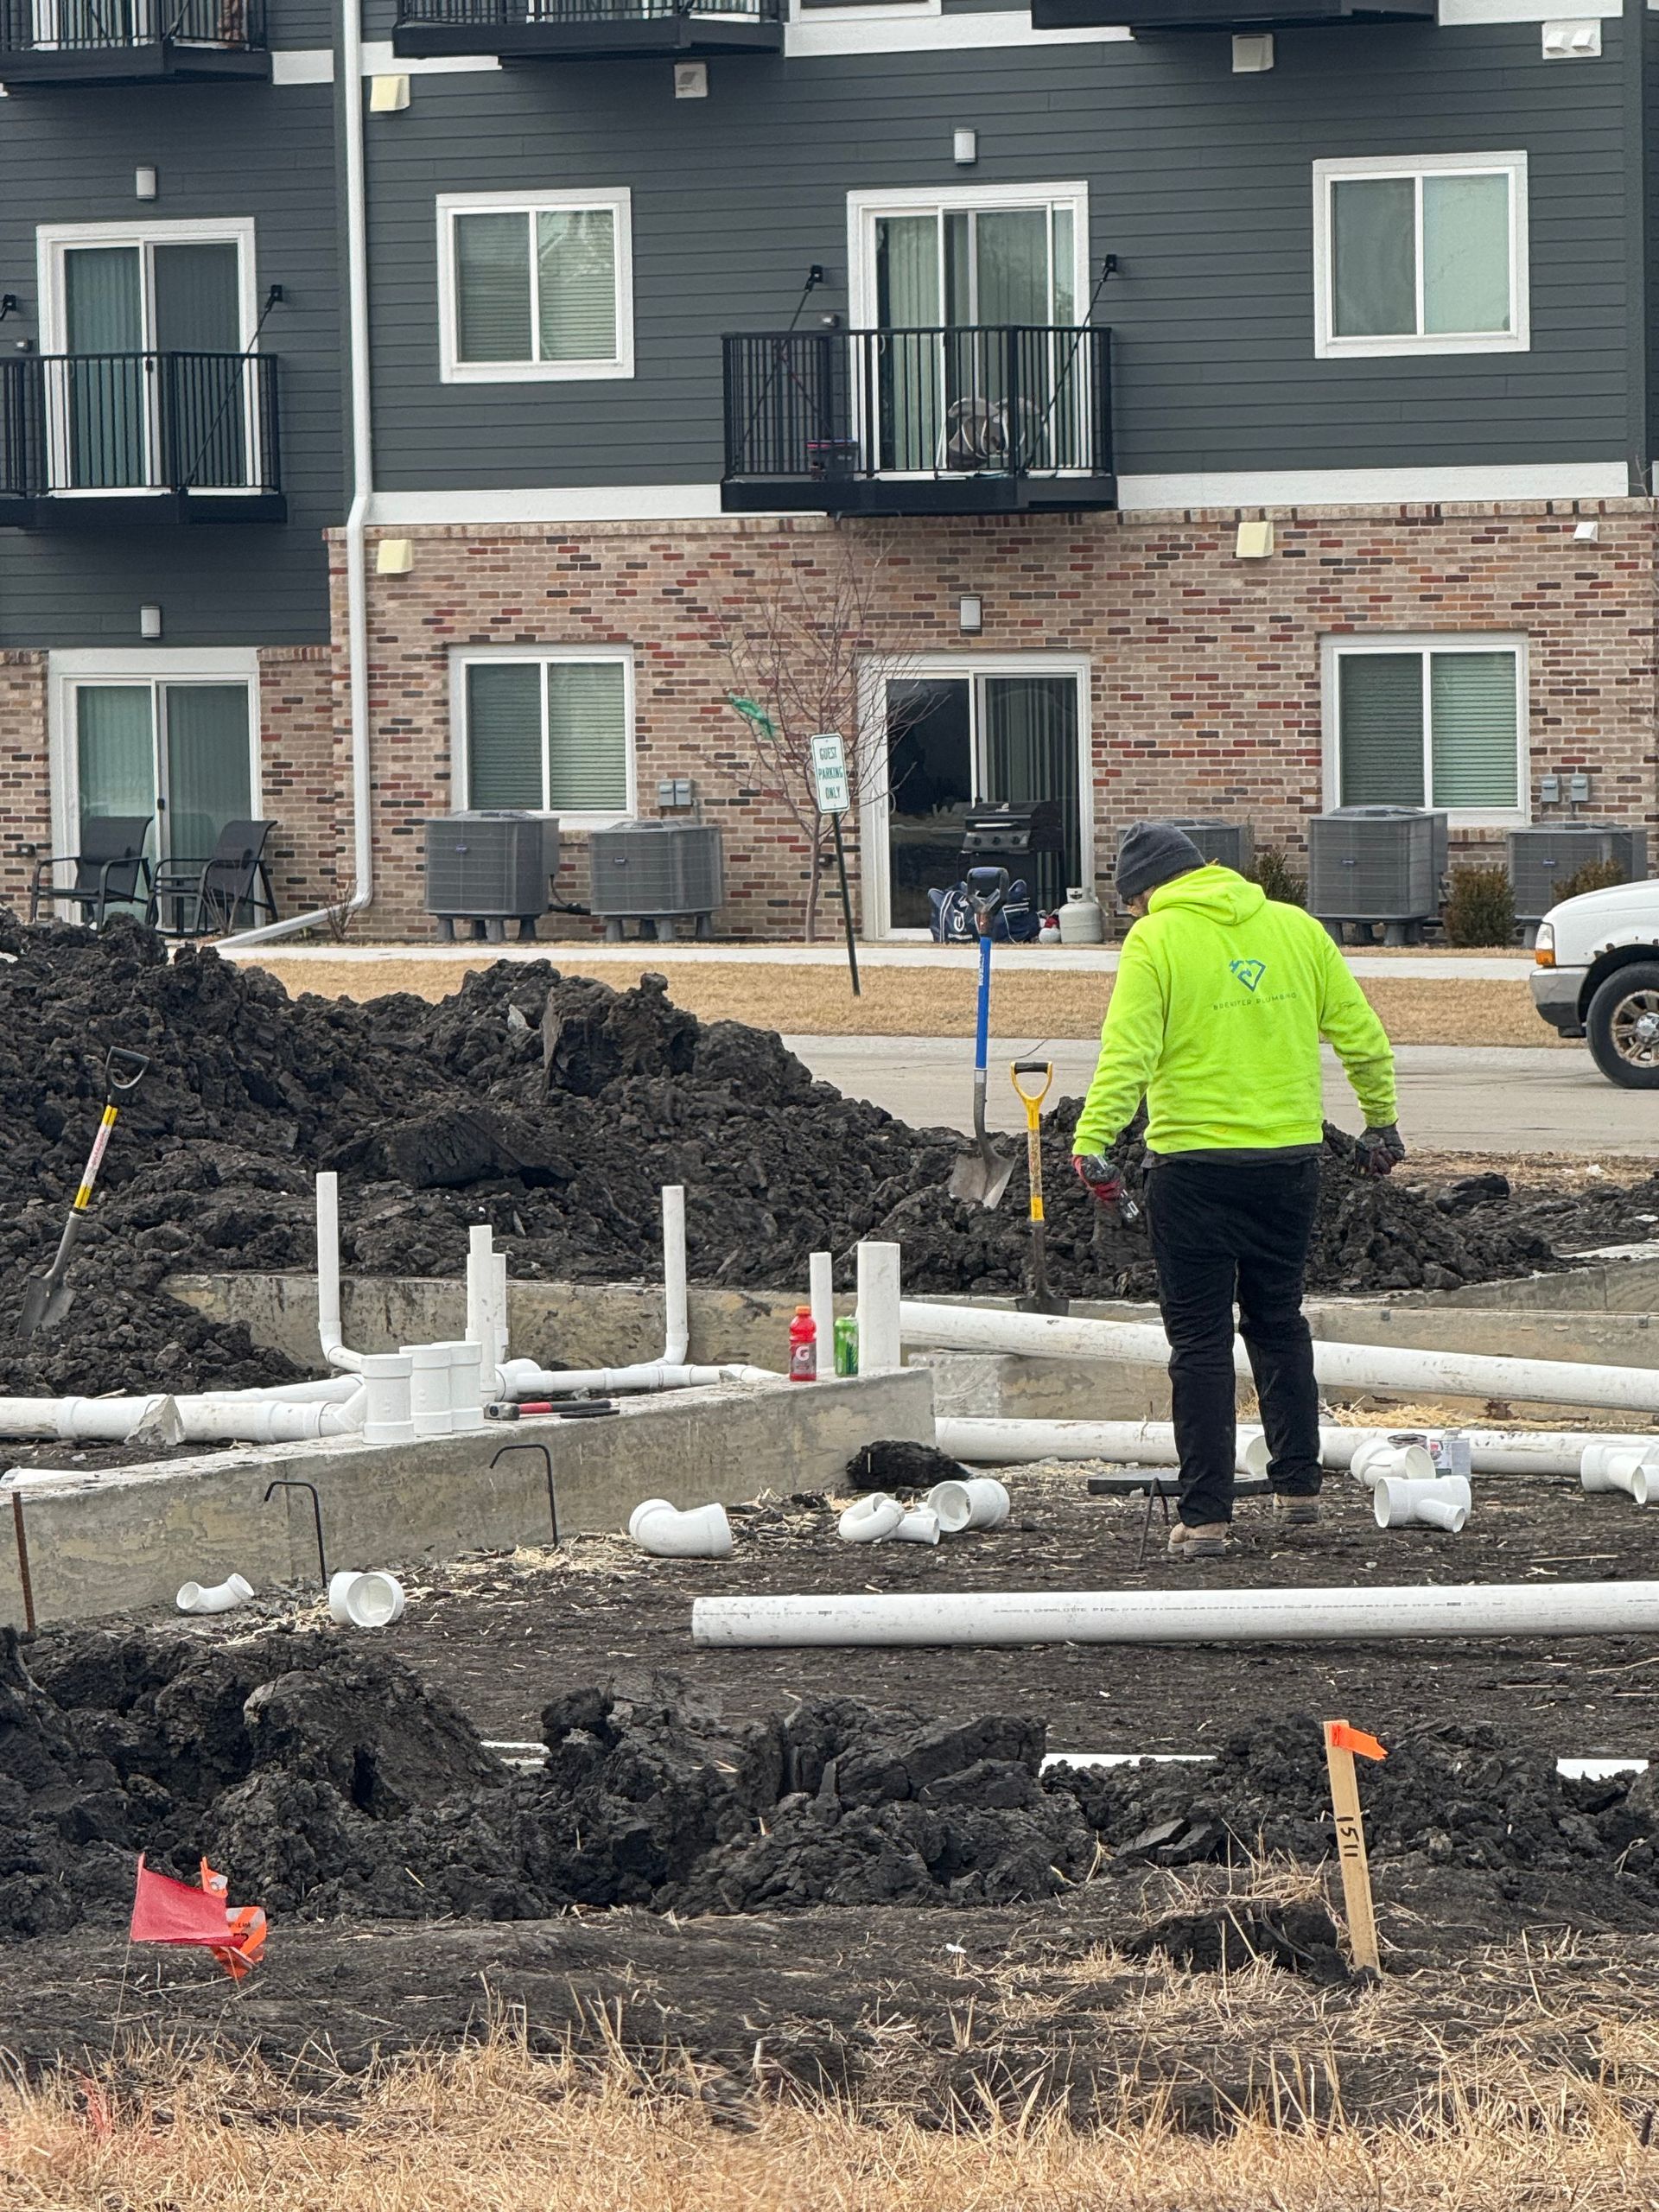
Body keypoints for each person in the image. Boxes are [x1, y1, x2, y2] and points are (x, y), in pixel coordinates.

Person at [1071, 822, 1402, 1560]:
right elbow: (1361, 1034)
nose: (1133, 914)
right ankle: (1299, 1487)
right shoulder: (1296, 928)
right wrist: (1380, 1120)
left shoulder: (1156, 940)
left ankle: (1206, 1519)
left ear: (1145, 892)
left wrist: (1093, 1140)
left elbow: (1128, 1052)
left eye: (1131, 903)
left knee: (1199, 1342)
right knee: (1279, 1321)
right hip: (1289, 1164)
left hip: (1192, 1169)